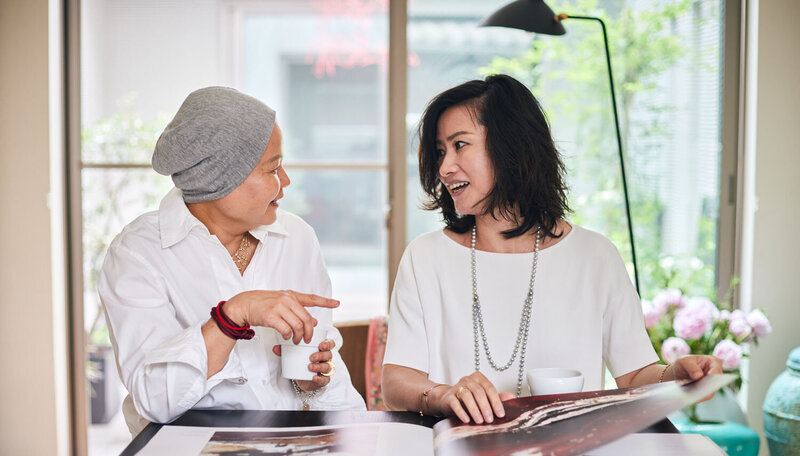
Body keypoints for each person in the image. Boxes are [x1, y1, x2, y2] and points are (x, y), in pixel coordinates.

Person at [381, 74, 721, 424]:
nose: (444, 167)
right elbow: (394, 382)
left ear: (511, 146)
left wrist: (675, 374)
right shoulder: (425, 257)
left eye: (460, 145)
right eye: (440, 151)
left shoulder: (595, 256)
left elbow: (634, 377)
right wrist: (443, 395)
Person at [99, 87, 365, 436]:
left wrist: (312, 380)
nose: (285, 182)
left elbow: (320, 376)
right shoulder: (138, 254)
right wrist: (230, 317)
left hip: (290, 445)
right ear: (218, 180)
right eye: (273, 168)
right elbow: (154, 399)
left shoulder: (297, 238)